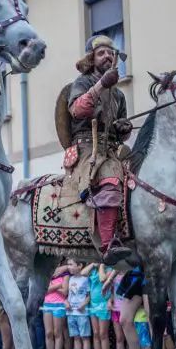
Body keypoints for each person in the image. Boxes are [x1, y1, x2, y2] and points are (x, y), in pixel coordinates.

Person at [66, 35, 132, 265]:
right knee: (111, 177)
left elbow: (122, 129)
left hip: (111, 148)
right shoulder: (82, 82)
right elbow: (77, 110)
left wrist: (124, 128)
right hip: (86, 148)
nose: (108, 56)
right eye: (101, 53)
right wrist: (101, 84)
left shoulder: (119, 94)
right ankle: (107, 245)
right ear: (92, 59)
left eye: (111, 53)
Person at [86, 262, 114, 349]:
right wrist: (92, 264)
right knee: (96, 333)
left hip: (103, 303)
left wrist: (102, 266)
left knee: (103, 334)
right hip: (93, 304)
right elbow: (83, 273)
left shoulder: (110, 269)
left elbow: (103, 279)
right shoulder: (93, 269)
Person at [65, 259, 92, 349]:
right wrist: (66, 302)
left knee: (84, 337)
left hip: (82, 312)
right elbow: (68, 294)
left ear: (80, 265)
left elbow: (89, 295)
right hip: (71, 312)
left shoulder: (86, 279)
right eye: (68, 264)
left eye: (71, 264)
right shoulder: (71, 279)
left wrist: (84, 304)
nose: (69, 267)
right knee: (76, 337)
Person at [43, 263, 69, 349]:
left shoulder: (65, 274)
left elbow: (65, 292)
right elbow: (44, 290)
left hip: (59, 304)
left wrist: (51, 287)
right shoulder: (46, 273)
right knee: (48, 332)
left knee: (57, 332)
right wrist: (58, 286)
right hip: (47, 304)